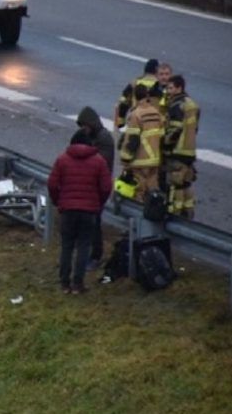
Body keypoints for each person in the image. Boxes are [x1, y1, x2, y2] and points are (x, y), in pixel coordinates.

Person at [48, 133, 112, 294]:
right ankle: (78, 284)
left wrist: (58, 201)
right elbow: (106, 187)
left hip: (68, 210)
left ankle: (64, 283)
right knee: (84, 246)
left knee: (67, 246)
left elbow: (52, 184)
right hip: (89, 210)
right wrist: (98, 203)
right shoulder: (98, 161)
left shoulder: (62, 159)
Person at [73, 106, 114, 268]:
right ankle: (89, 253)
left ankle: (95, 255)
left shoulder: (103, 138)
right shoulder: (95, 136)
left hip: (98, 187)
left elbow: (99, 163)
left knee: (94, 222)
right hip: (91, 186)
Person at [118, 83, 165, 204]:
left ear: (135, 97)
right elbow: (162, 135)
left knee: (139, 192)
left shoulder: (136, 114)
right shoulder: (156, 112)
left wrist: (125, 159)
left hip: (140, 161)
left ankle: (139, 216)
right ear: (147, 96)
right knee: (152, 189)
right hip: (155, 159)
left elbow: (132, 140)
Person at [163, 74, 199, 219]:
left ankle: (175, 214)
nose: (168, 91)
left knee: (176, 183)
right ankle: (189, 211)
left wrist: (165, 143)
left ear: (179, 88)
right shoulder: (192, 104)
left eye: (171, 88)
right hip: (190, 150)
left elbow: (175, 130)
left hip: (178, 151)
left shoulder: (176, 105)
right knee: (186, 182)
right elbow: (194, 129)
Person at [113, 58, 159, 132]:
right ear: (156, 70)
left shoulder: (135, 82)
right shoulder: (159, 85)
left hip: (136, 119)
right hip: (153, 121)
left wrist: (120, 122)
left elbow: (124, 102)